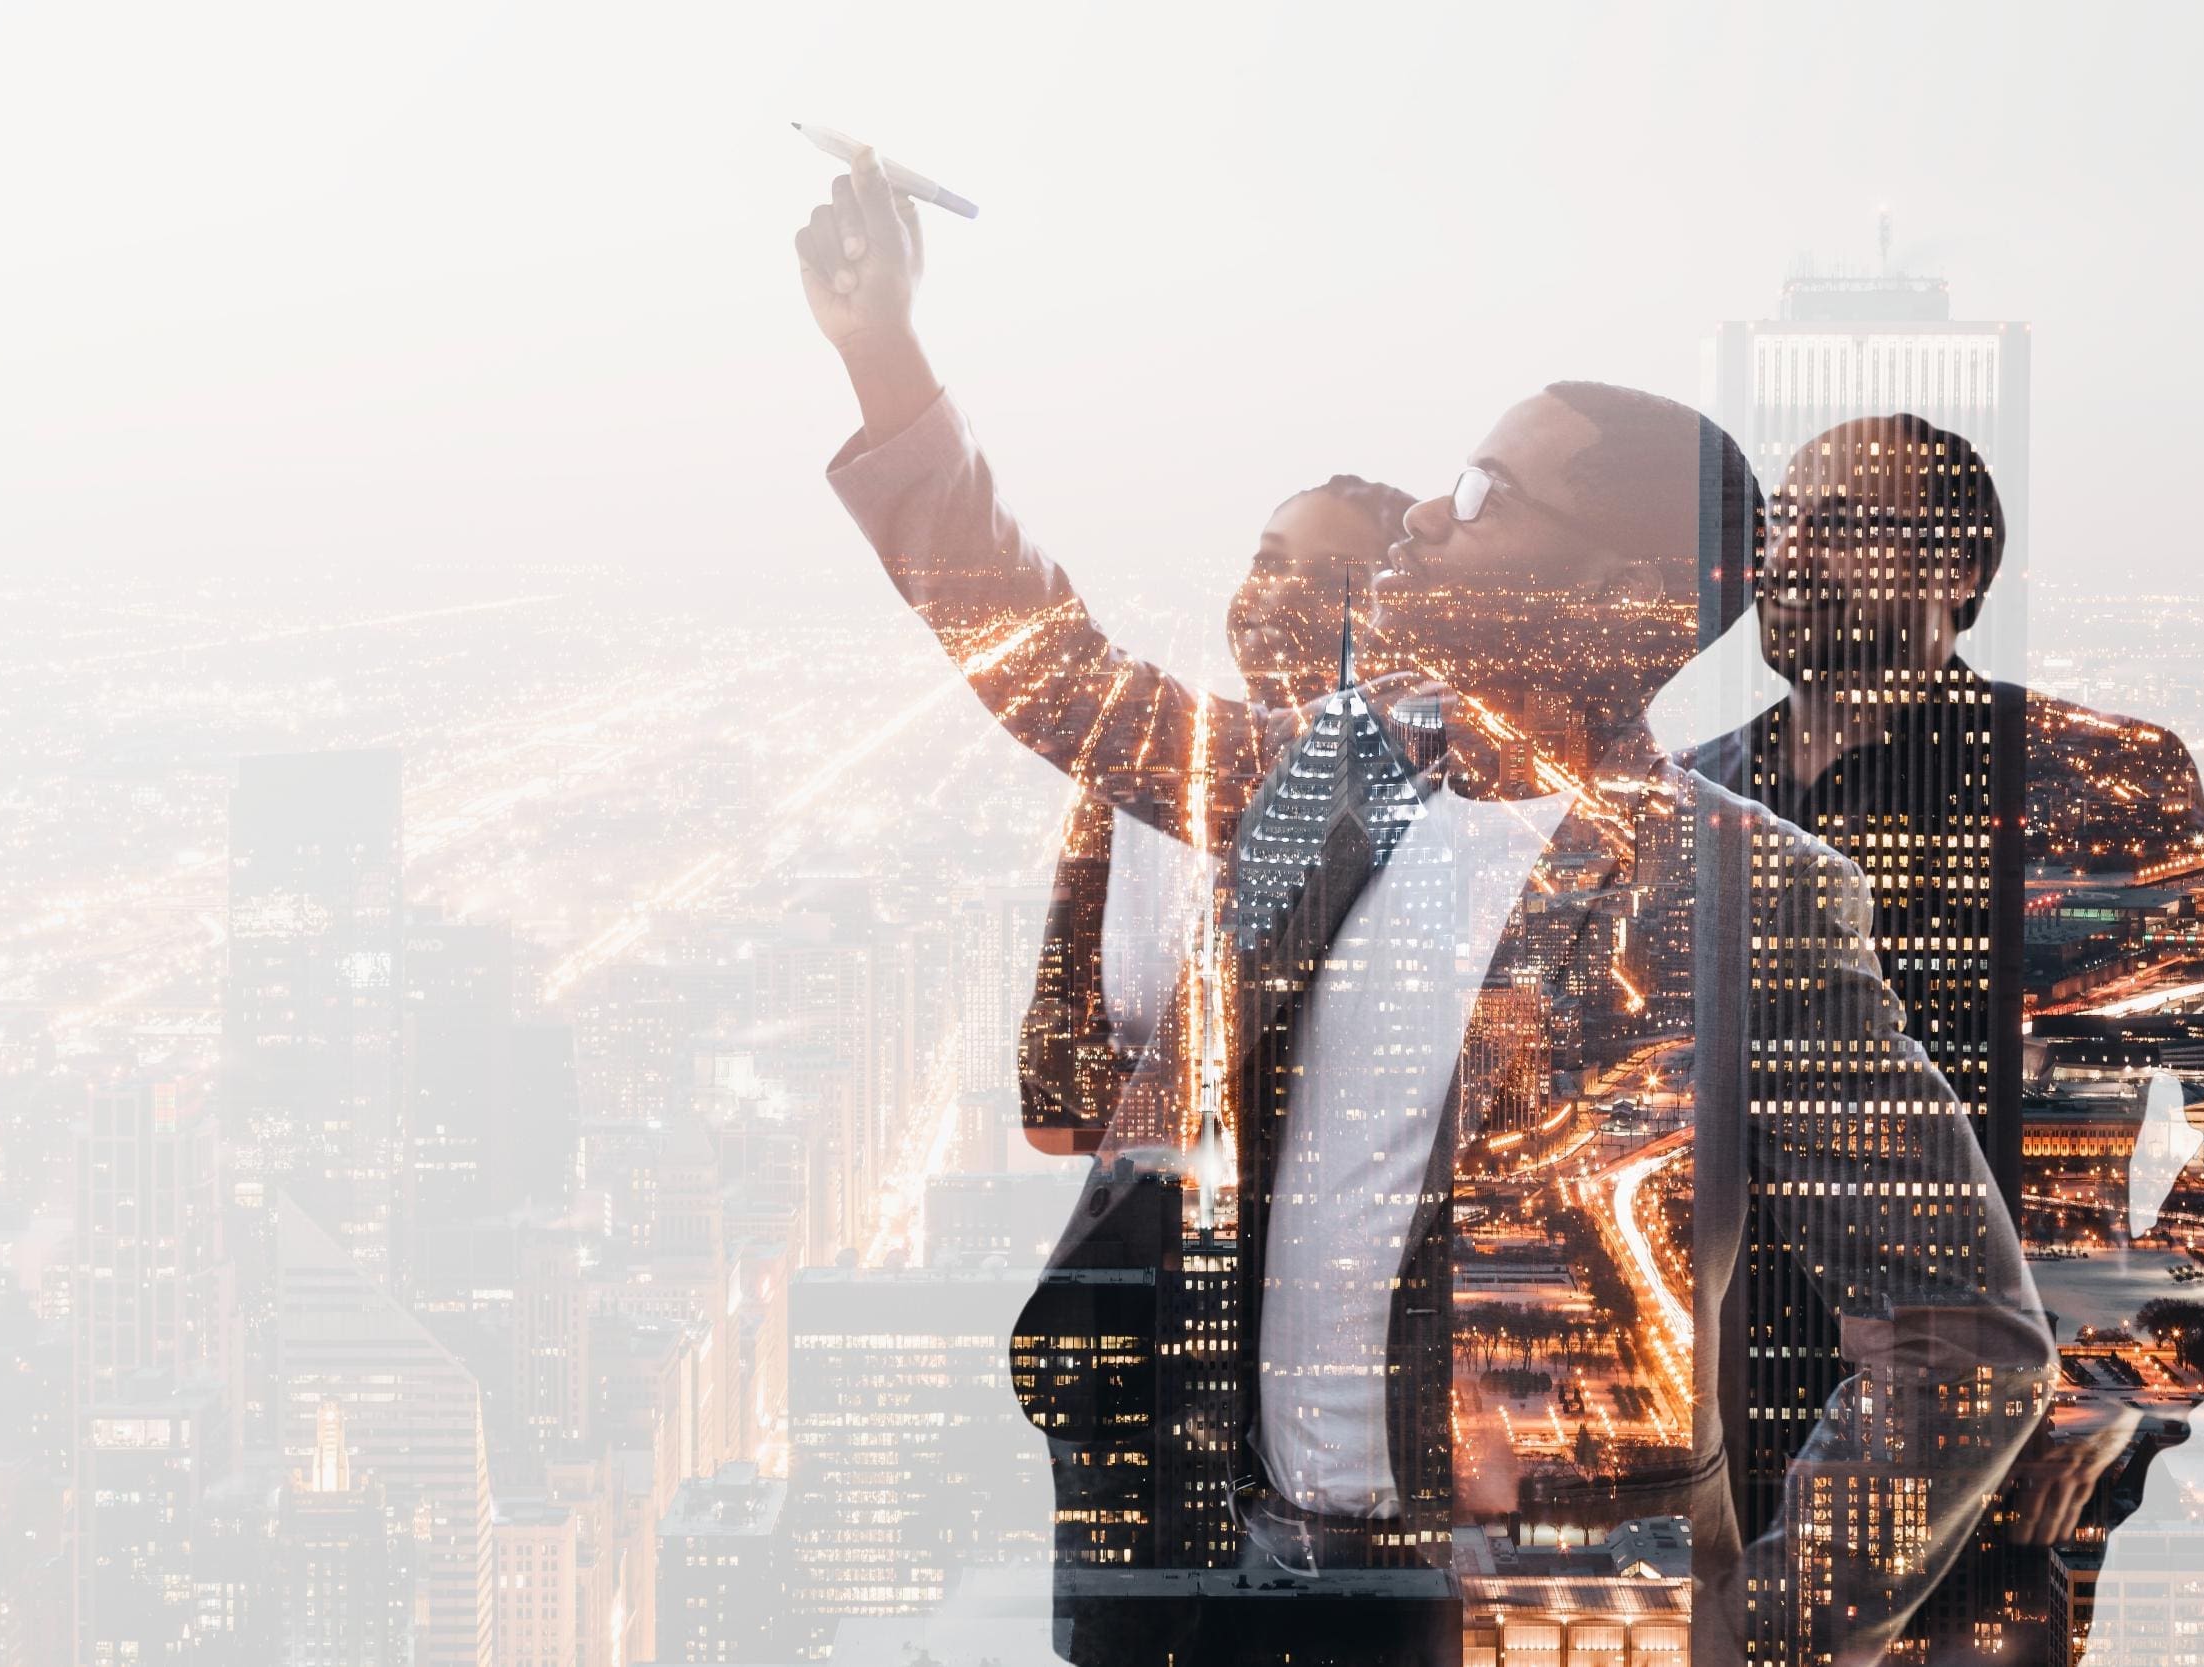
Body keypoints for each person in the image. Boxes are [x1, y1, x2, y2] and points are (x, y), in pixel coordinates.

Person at [796, 151, 2057, 1666]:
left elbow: (1964, 1338)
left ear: (1622, 600)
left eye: (1485, 496)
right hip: (1243, 1588)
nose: (1422, 521)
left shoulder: (1746, 902)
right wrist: (886, 356)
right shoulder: (1342, 772)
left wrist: (1757, 1633)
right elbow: (1068, 681)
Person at [1684, 413, 2204, 1662]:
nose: (1789, 556)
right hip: (1707, 1473)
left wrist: (2118, 1379)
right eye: (1779, 524)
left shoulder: (2076, 780)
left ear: (1959, 569)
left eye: (1841, 524)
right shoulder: (1690, 798)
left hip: (1981, 1489)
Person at [1021, 473, 1415, 1155]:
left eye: (1332, 583)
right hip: (1156, 1231)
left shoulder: (1416, 804)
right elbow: (1051, 1109)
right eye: (1269, 561)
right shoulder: (1126, 791)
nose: (1280, 591)